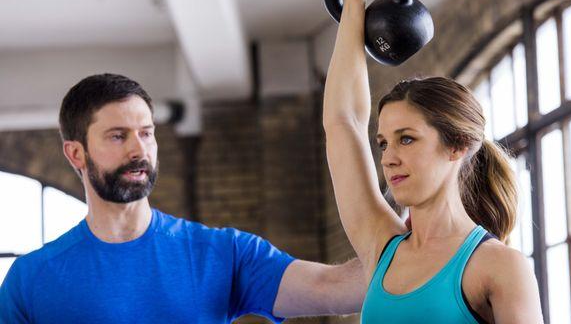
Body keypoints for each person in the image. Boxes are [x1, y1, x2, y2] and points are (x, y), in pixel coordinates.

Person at [0, 73, 366, 323]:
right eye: (117, 136)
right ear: (76, 154)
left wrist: (409, 236)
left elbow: (336, 289)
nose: (137, 149)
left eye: (146, 133)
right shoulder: (31, 280)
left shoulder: (223, 253)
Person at [322, 0, 544, 324]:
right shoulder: (382, 248)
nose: (389, 156)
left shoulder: (498, 267)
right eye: (383, 143)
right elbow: (343, 122)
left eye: (407, 138)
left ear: (457, 146)